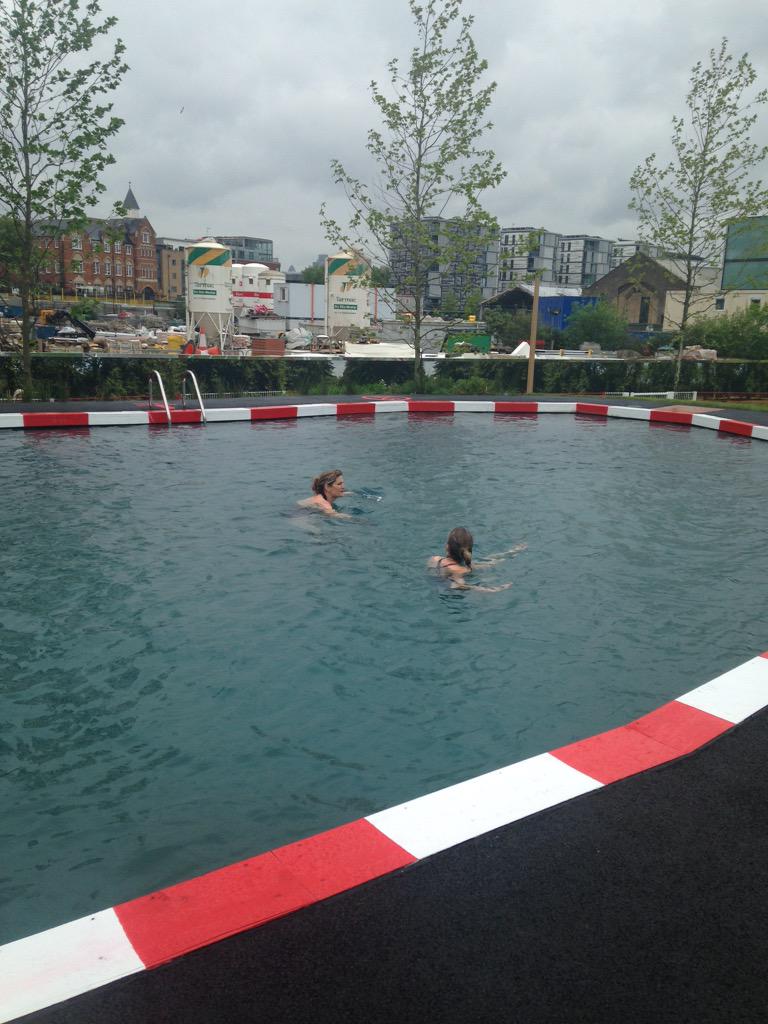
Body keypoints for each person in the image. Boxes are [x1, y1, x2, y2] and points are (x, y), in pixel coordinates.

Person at [428, 527, 526, 591]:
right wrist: (493, 589)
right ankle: (511, 553)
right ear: (469, 551)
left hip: (438, 587)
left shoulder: (434, 559)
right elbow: (459, 586)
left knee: (482, 564)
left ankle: (510, 553)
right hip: (450, 593)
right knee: (485, 564)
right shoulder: (460, 570)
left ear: (447, 547)